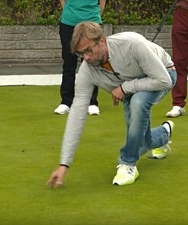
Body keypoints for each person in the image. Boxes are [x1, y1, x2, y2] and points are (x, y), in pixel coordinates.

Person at [46, 21, 176, 187]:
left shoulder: (132, 43)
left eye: (88, 50)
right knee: (142, 140)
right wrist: (64, 164)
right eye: (80, 54)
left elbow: (163, 80)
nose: (85, 58)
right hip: (132, 87)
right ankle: (164, 133)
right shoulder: (87, 70)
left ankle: (128, 163)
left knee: (137, 103)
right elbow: (77, 114)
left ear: (101, 41)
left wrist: (125, 87)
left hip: (163, 73)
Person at [54, 0, 108, 116]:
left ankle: (92, 102)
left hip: (91, 26)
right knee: (69, 63)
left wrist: (92, 20)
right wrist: (73, 17)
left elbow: (102, 0)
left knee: (92, 62)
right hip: (68, 25)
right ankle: (66, 101)